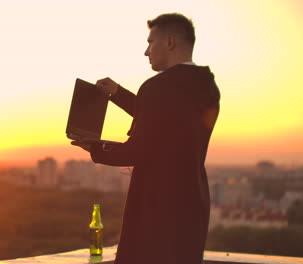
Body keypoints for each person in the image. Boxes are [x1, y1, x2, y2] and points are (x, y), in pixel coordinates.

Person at [72, 13, 220, 264]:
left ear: (170, 42)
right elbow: (166, 121)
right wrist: (117, 94)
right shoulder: (206, 86)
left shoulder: (157, 87)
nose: (146, 51)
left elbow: (139, 150)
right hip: (192, 206)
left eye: (151, 42)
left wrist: (95, 148)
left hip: (156, 209)